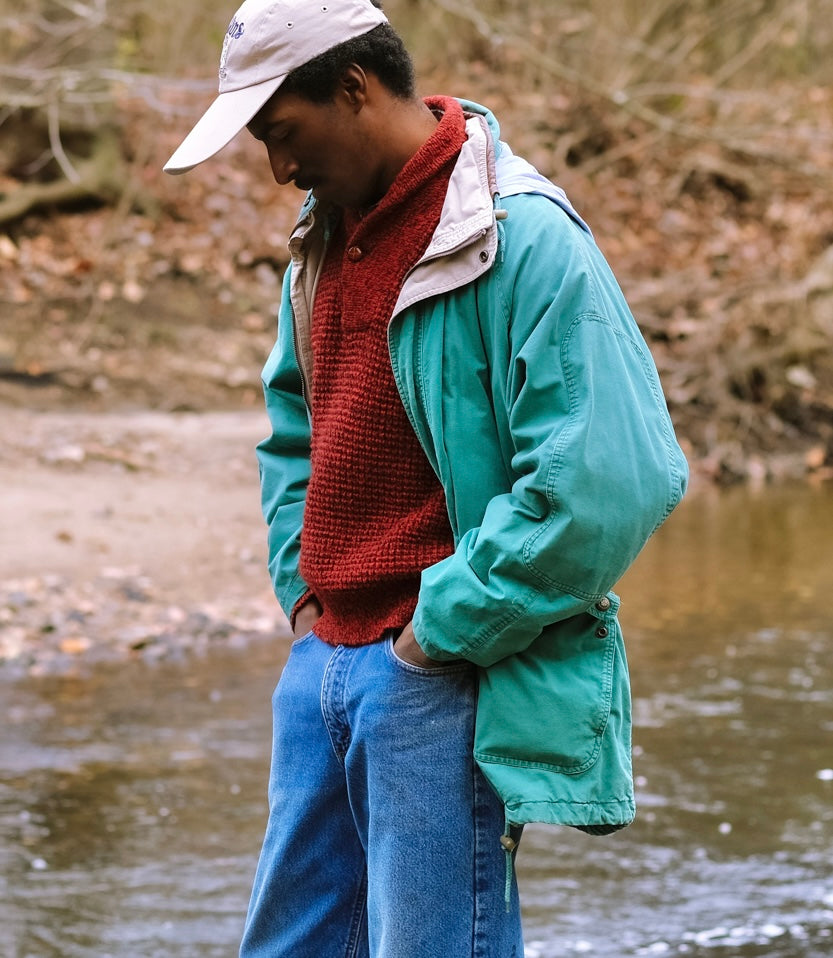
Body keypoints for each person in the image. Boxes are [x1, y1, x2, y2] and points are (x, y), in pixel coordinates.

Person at [164, 1, 688, 955]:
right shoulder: (323, 240)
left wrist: (437, 635)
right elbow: (295, 432)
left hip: (434, 673)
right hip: (322, 662)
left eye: (281, 134)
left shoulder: (520, 235)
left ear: (355, 88)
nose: (277, 169)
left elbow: (613, 479)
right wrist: (304, 597)